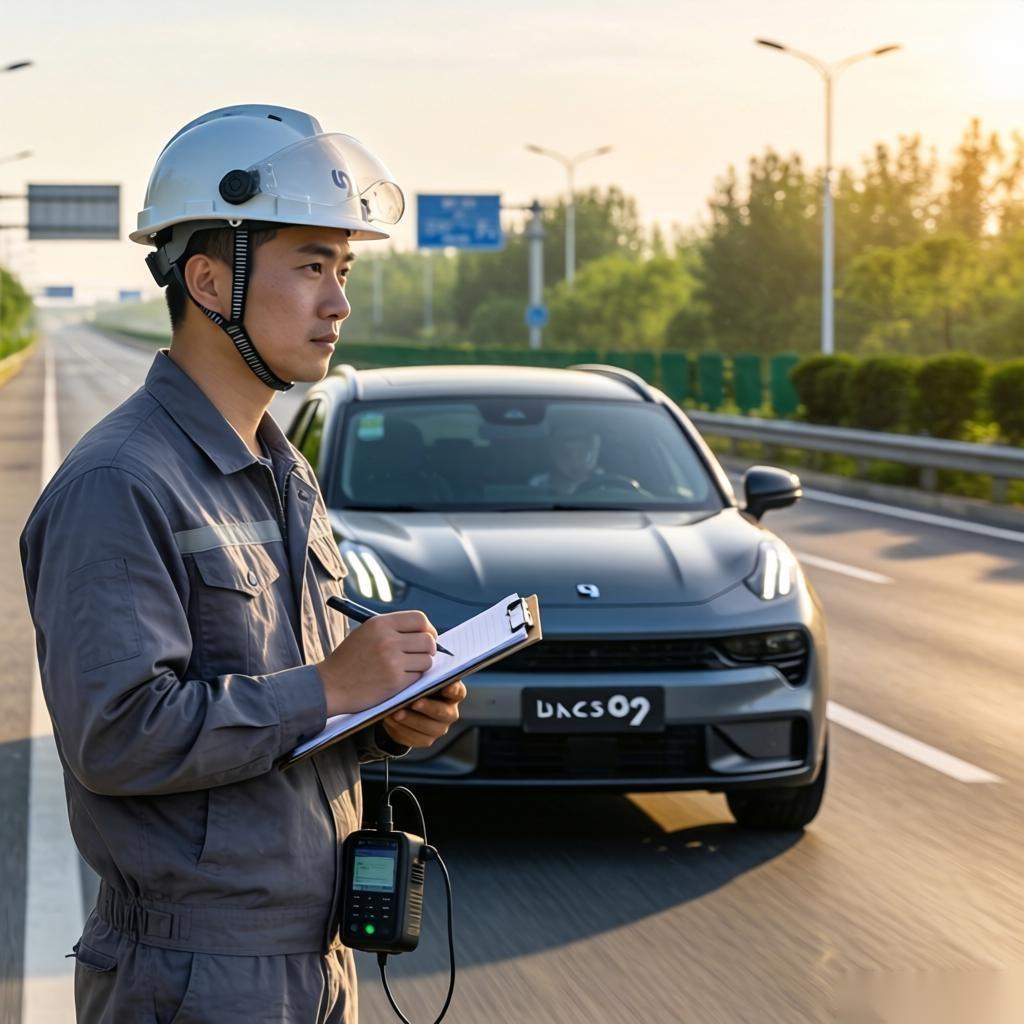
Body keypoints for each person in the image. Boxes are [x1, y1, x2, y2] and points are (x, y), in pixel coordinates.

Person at [20, 104, 466, 1024]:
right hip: (191, 977)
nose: (339, 301)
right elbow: (116, 734)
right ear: (210, 278)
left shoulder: (280, 468)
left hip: (312, 957)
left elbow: (286, 691)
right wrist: (333, 689)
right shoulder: (120, 483)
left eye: (343, 270)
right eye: (310, 265)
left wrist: (384, 715)